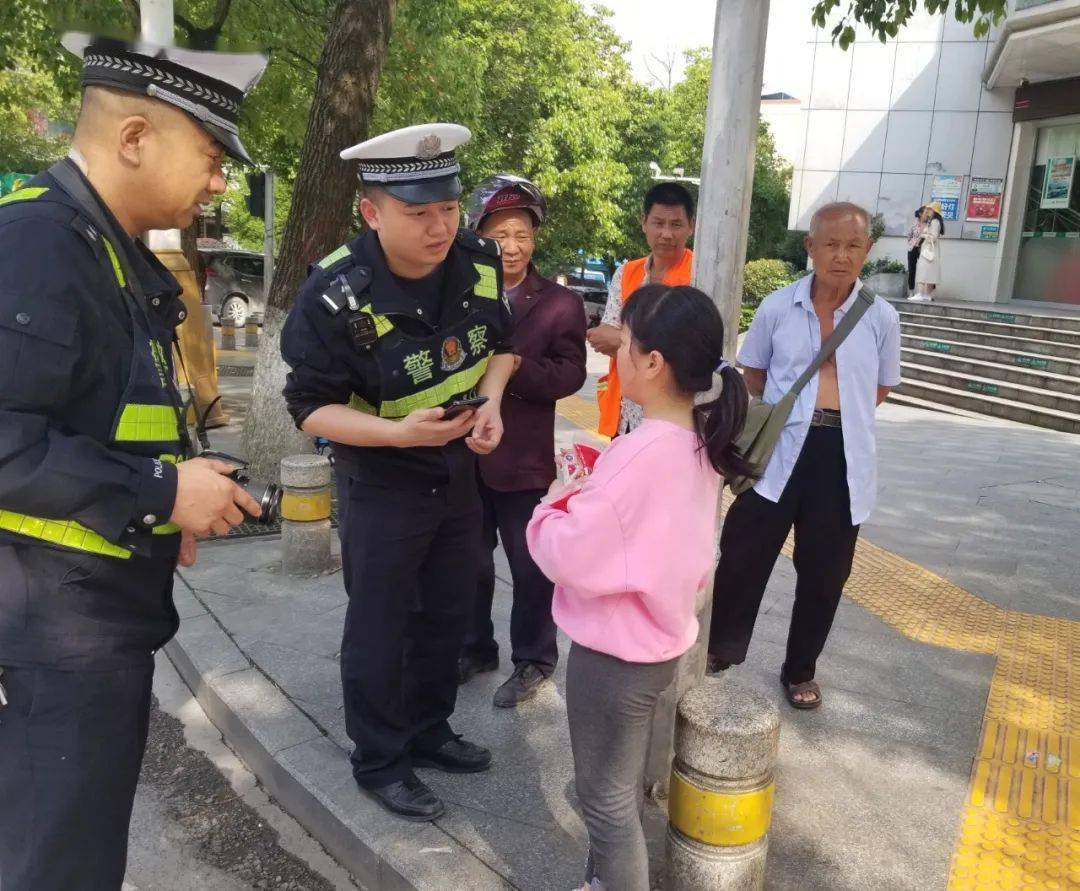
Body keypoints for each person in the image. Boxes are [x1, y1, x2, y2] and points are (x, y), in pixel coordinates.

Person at [0, 33, 266, 889]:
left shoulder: (102, 247)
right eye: (211, 154)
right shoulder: (42, 242)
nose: (220, 178)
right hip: (51, 637)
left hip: (88, 620)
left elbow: (96, 418)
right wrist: (157, 488)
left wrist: (174, 500)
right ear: (135, 138)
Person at [280, 124, 517, 822]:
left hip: (458, 470)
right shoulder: (335, 293)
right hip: (381, 480)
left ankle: (428, 727)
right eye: (418, 212)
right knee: (381, 624)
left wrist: (493, 404)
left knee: (448, 611)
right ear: (371, 211)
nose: (439, 225)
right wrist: (393, 433)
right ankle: (380, 759)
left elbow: (503, 347)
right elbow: (308, 408)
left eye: (446, 206)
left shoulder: (478, 258)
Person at [527, 284, 752, 891]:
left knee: (605, 801)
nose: (614, 357)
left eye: (623, 345)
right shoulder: (699, 444)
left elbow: (569, 553)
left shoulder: (640, 454)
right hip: (659, 641)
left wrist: (552, 506)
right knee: (617, 793)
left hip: (614, 654)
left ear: (653, 363)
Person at [706, 202, 902, 709]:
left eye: (853, 246)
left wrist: (835, 414)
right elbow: (754, 376)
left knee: (825, 573)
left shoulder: (882, 317)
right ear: (810, 247)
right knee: (744, 555)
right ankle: (721, 651)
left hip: (841, 457)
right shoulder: (777, 307)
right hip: (778, 450)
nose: (842, 256)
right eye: (831, 244)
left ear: (868, 251)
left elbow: (879, 387)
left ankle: (800, 670)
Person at [457, 175, 587, 706]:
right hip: (461, 452)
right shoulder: (456, 292)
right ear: (478, 234)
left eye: (522, 234)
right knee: (468, 560)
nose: (511, 246)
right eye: (499, 234)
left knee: (529, 564)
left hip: (523, 458)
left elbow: (570, 374)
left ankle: (534, 659)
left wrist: (508, 370)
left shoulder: (559, 303)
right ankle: (473, 646)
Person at [587, 182, 695, 437]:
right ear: (644, 222)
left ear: (691, 225)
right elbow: (604, 337)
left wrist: (624, 341)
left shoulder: (699, 275)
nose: (667, 234)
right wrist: (653, 344)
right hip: (623, 415)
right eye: (658, 223)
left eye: (676, 224)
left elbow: (689, 350)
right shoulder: (626, 273)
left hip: (674, 422)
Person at [911, 201, 945, 302]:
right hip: (931, 251)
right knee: (930, 273)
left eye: (930, 209)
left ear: (934, 211)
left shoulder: (934, 222)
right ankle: (927, 294)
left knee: (923, 271)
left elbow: (933, 238)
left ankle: (920, 294)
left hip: (928, 250)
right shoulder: (934, 221)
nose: (928, 211)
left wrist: (922, 235)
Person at [905, 206, 925, 295]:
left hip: (924, 250)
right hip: (913, 249)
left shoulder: (929, 225)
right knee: (912, 269)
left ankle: (923, 292)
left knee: (924, 270)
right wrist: (913, 243)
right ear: (920, 213)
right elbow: (909, 236)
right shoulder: (914, 224)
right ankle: (911, 291)